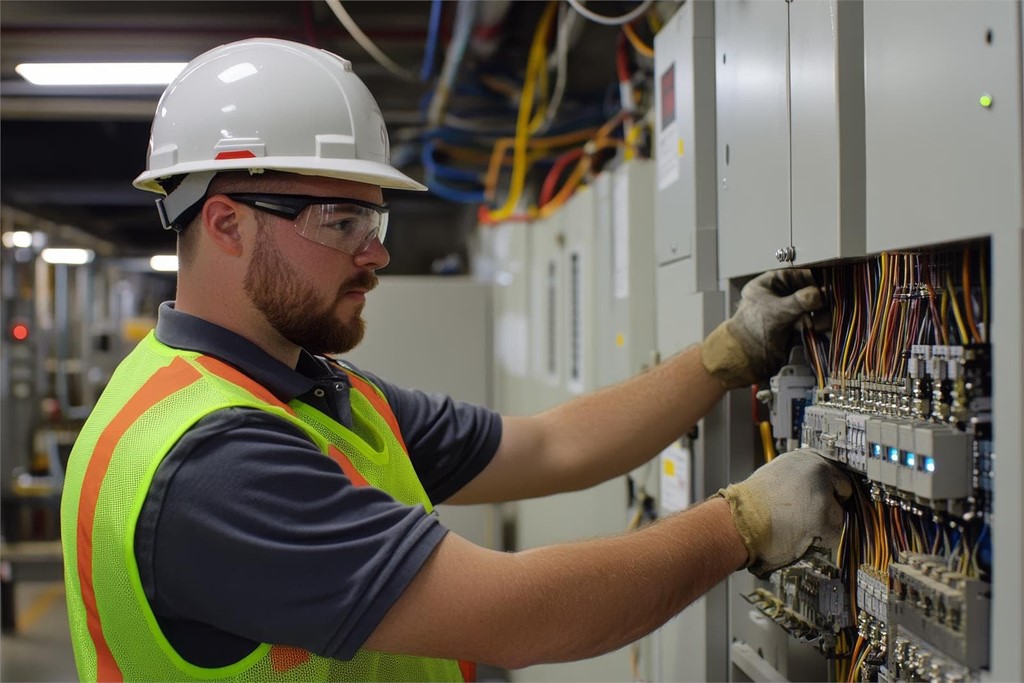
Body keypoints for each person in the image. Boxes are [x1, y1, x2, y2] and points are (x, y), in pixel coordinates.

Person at [60, 38, 851, 682]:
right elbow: (520, 616)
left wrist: (727, 354)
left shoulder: (313, 390)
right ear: (227, 223)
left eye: (375, 220)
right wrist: (742, 523)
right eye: (341, 222)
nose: (375, 255)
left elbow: (550, 445)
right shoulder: (212, 461)